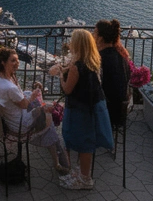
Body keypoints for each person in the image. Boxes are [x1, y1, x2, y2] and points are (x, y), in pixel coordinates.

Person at [0, 47, 69, 175]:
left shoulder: (1, 78)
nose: (17, 63)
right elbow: (24, 105)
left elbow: (21, 100)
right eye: (13, 61)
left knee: (41, 104)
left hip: (12, 117)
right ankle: (58, 159)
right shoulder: (9, 87)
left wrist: (33, 97)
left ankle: (56, 157)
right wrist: (34, 97)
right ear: (3, 62)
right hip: (21, 123)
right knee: (48, 115)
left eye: (17, 60)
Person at [59, 28, 114, 191]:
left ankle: (85, 179)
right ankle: (83, 174)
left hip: (79, 109)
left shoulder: (77, 66)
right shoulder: (93, 60)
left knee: (84, 145)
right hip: (92, 106)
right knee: (87, 142)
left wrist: (62, 76)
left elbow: (67, 90)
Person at [95, 19, 131, 131]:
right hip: (120, 109)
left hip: (108, 111)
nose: (92, 34)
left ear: (100, 38)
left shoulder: (101, 59)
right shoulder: (120, 54)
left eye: (94, 32)